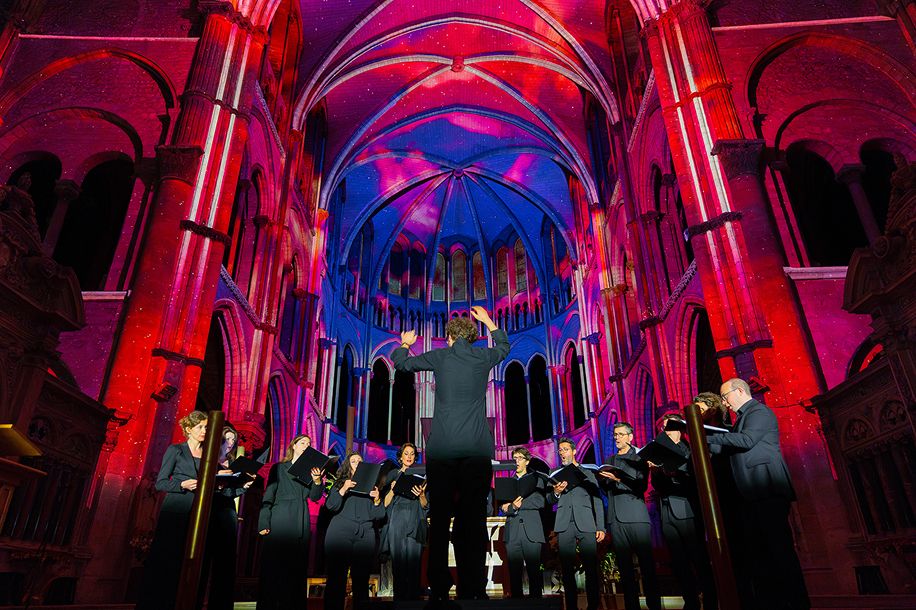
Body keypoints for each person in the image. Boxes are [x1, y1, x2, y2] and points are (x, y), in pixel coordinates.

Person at [392, 306, 509, 603]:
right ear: (472, 337)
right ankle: (474, 587)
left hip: (442, 450)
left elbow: (403, 365)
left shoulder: (441, 356)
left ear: (448, 337)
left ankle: (440, 586)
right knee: (473, 519)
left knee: (441, 519)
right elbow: (505, 347)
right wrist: (489, 322)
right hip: (476, 450)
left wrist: (405, 343)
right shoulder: (483, 357)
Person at [706, 378, 810, 610]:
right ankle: (773, 602)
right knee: (761, 554)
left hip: (767, 488)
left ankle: (797, 603)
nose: (724, 402)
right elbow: (730, 444)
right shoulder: (742, 417)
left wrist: (707, 438)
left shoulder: (758, 412)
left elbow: (746, 440)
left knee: (779, 550)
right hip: (751, 493)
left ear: (740, 391)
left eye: (725, 397)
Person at [139, 411, 252, 610]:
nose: (203, 431)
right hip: (177, 508)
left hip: (201, 512)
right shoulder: (176, 450)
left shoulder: (210, 454)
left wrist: (238, 484)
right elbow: (161, 482)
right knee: (169, 557)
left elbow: (215, 487)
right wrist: (182, 485)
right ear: (189, 429)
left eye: (206, 427)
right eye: (199, 427)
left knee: (192, 561)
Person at [649, 414, 716, 610]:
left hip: (687, 510)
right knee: (679, 562)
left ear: (680, 429)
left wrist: (673, 471)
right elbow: (657, 485)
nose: (665, 431)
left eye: (668, 427)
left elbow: (696, 478)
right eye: (662, 428)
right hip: (667, 511)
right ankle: (691, 601)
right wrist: (656, 471)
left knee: (699, 559)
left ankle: (711, 600)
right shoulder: (659, 452)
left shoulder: (689, 449)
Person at [257, 434, 325, 610]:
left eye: (309, 444)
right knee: (274, 568)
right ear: (293, 446)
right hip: (280, 517)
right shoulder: (279, 468)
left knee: (296, 570)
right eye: (302, 443)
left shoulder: (310, 471)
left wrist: (317, 481)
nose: (306, 445)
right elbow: (269, 494)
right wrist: (264, 521)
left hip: (300, 519)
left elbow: (315, 497)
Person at [598, 423, 660, 610]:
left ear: (630, 437)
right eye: (615, 435)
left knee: (647, 566)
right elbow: (606, 490)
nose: (617, 438)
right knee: (624, 569)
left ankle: (654, 605)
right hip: (616, 519)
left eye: (621, 435)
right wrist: (603, 480)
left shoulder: (640, 458)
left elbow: (640, 487)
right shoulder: (610, 459)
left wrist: (619, 479)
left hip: (636, 516)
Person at [323, 451, 385, 610]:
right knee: (337, 578)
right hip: (340, 532)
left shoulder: (372, 486)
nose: (357, 463)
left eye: (360, 460)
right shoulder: (339, 483)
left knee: (361, 579)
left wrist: (377, 500)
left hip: (365, 534)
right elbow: (331, 506)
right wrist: (343, 489)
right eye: (353, 461)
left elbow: (379, 515)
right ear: (348, 467)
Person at [549, 437, 605, 610]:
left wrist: (601, 526)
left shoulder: (587, 473)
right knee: (566, 569)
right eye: (560, 450)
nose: (562, 453)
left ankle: (593, 605)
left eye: (565, 449)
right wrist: (556, 493)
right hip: (565, 524)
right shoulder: (555, 474)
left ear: (574, 451)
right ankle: (571, 606)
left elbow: (597, 500)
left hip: (586, 523)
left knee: (591, 567)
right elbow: (548, 500)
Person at [381, 442, 428, 601]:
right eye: (406, 453)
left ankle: (414, 600)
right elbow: (385, 503)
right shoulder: (393, 474)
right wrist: (393, 490)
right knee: (399, 562)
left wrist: (421, 495)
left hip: (415, 519)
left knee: (414, 563)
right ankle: (399, 600)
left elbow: (426, 505)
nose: (409, 456)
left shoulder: (421, 475)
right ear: (400, 457)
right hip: (397, 519)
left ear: (415, 457)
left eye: (412, 453)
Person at [499, 446, 545, 599]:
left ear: (527, 461)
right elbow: (503, 508)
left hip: (532, 530)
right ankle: (517, 604)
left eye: (520, 458)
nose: (517, 461)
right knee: (514, 572)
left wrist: (519, 504)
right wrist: (512, 507)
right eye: (515, 458)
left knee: (534, 572)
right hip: (513, 532)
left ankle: (537, 604)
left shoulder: (536, 479)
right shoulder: (507, 482)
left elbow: (539, 501)